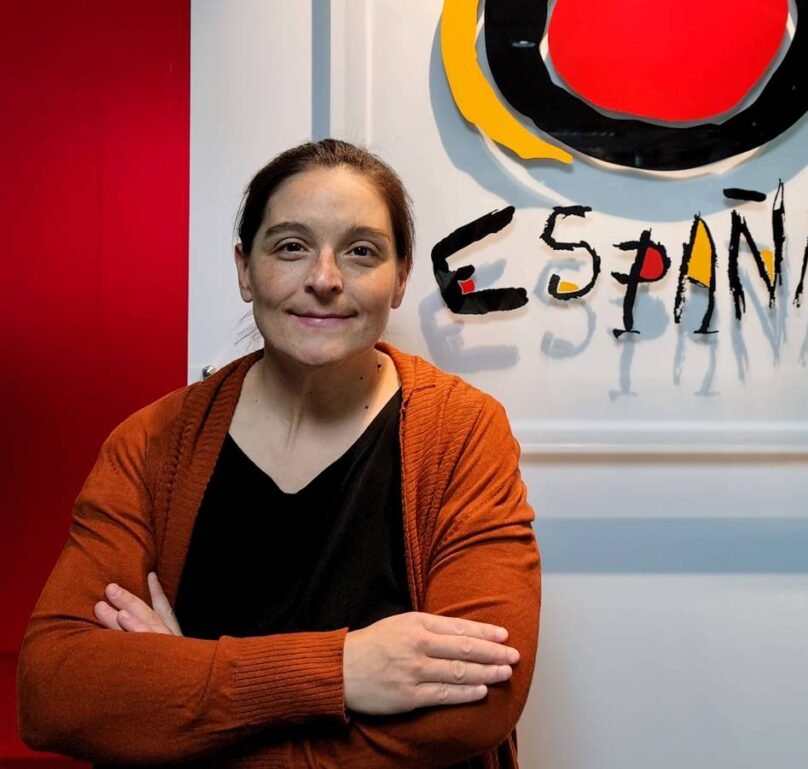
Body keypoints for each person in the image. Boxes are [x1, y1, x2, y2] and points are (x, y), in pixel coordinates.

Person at [17, 139, 541, 768]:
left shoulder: (462, 433)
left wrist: (185, 693)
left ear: (401, 278)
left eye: (362, 251)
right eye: (291, 246)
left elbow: (477, 703)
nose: (324, 278)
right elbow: (54, 690)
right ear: (245, 269)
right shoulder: (152, 443)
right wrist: (341, 670)